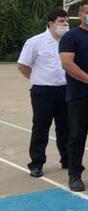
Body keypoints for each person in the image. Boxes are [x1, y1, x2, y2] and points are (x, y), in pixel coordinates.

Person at [58, 0, 88, 191]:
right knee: (77, 135)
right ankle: (75, 174)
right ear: (80, 15)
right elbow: (67, 64)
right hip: (79, 94)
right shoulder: (71, 37)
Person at [17, 9, 70, 177]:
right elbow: (23, 66)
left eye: (67, 21)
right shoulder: (35, 42)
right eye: (62, 21)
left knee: (66, 128)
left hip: (66, 89)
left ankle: (67, 159)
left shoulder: (69, 41)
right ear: (51, 23)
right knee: (41, 127)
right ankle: (37, 163)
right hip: (43, 91)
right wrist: (36, 79)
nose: (65, 24)